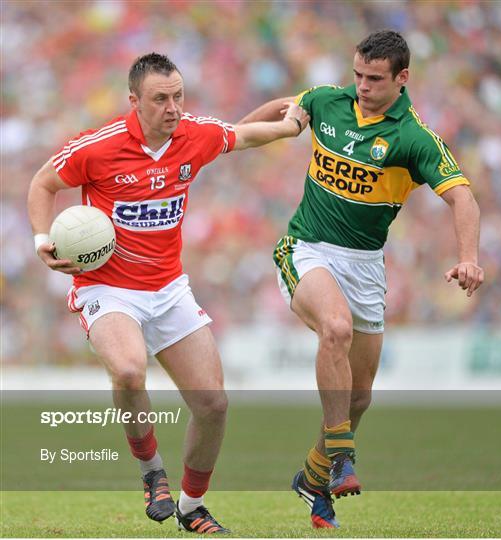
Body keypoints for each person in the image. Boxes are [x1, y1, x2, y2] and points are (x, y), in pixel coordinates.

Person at [28, 52, 309, 534]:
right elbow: (43, 183)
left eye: (178, 96)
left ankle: (191, 506)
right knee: (130, 369)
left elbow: (241, 135)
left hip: (169, 289)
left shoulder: (193, 135)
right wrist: (40, 240)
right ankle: (151, 472)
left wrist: (292, 120)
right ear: (134, 101)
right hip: (108, 287)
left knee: (214, 405)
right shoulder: (98, 146)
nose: (173, 107)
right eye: (161, 99)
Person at [238, 30, 484, 529]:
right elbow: (285, 105)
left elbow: (463, 197)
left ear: (402, 79)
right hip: (306, 248)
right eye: (358, 75)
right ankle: (343, 461)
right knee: (336, 327)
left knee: (360, 397)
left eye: (374, 79)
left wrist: (469, 257)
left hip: (366, 264)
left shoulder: (413, 138)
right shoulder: (330, 101)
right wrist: (225, 138)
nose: (362, 86)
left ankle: (312, 476)